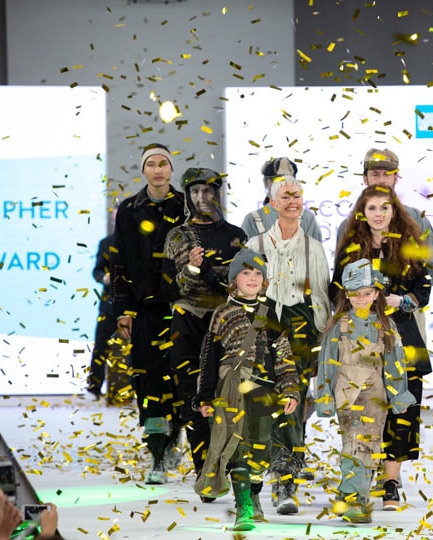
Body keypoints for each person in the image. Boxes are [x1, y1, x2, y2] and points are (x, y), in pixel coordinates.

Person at [330, 185, 431, 511]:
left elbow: (423, 291)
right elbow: (335, 290)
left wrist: (400, 301)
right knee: (364, 410)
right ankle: (363, 476)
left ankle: (391, 482)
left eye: (384, 208)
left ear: (394, 211)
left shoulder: (410, 245)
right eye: (372, 208)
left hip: (403, 337)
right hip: (361, 342)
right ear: (362, 212)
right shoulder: (350, 248)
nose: (378, 214)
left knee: (403, 411)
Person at [193, 248, 300, 532]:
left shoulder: (272, 314)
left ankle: (253, 495)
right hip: (231, 391)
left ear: (264, 280)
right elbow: (208, 358)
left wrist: (290, 389)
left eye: (257, 274)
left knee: (261, 451)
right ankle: (244, 506)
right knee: (236, 447)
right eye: (245, 272)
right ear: (233, 280)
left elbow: (283, 356)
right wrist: (205, 396)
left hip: (264, 393)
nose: (252, 278)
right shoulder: (222, 314)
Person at [246, 174, 330, 514]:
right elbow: (244, 293)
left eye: (297, 195)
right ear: (272, 203)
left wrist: (321, 343)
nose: (292, 201)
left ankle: (286, 482)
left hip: (301, 329)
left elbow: (322, 297)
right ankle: (255, 480)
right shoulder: (255, 245)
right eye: (285, 196)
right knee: (262, 403)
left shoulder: (314, 247)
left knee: (292, 405)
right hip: (263, 327)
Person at [314, 258, 416, 523]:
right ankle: (353, 499)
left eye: (367, 293)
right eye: (356, 294)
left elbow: (395, 364)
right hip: (346, 393)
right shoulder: (338, 326)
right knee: (355, 444)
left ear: (377, 294)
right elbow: (326, 363)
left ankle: (350, 496)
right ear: (347, 295)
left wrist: (399, 395)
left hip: (375, 396)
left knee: (367, 445)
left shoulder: (386, 326)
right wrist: (324, 397)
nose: (361, 299)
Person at [163, 167, 246, 484]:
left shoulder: (235, 235)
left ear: (217, 194)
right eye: (195, 191)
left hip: (225, 323)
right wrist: (194, 270)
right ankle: (205, 470)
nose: (202, 197)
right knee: (191, 395)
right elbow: (172, 287)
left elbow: (239, 283)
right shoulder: (178, 236)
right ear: (187, 196)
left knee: (227, 394)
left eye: (208, 191)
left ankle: (227, 464)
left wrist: (206, 270)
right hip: (187, 321)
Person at [111, 143, 185, 485]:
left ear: (171, 169)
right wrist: (122, 310)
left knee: (181, 379)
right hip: (144, 310)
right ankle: (156, 452)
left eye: (163, 163)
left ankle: (174, 436)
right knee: (149, 382)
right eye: (151, 164)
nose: (158, 169)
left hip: (183, 309)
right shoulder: (129, 209)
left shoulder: (186, 205)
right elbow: (119, 262)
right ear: (143, 170)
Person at [338, 148, 433, 335]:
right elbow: (340, 277)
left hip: (408, 314)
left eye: (387, 174)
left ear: (396, 178)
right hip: (360, 317)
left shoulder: (415, 219)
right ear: (365, 178)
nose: (381, 180)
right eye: (375, 174)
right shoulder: (349, 225)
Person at [241, 157, 322, 241]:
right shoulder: (252, 220)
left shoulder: (307, 218)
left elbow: (316, 248)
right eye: (278, 181)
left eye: (288, 180)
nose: (281, 186)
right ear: (266, 183)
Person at [87, 210, 118, 401]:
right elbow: (97, 270)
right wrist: (104, 277)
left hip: (134, 304)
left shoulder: (138, 242)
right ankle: (94, 387)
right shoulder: (106, 243)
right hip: (109, 302)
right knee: (101, 345)